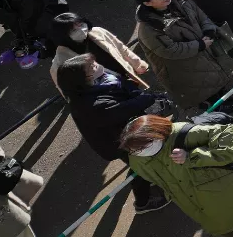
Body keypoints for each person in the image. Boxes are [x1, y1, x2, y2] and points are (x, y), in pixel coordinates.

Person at [119, 115, 233, 236]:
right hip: (205, 212)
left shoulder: (183, 134)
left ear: (155, 136)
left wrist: (192, 156)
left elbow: (230, 135)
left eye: (140, 148)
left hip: (231, 198)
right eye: (133, 150)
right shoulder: (137, 159)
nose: (137, 152)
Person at [55, 54, 171, 214]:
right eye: (92, 67)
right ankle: (143, 202)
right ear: (81, 80)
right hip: (118, 142)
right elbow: (124, 109)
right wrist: (147, 98)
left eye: (94, 62)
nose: (97, 66)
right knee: (140, 167)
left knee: (141, 163)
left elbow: (122, 91)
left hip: (124, 134)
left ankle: (148, 180)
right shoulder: (91, 105)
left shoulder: (97, 85)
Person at [133, 0, 233, 110]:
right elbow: (170, 50)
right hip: (181, 65)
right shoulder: (148, 28)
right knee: (200, 86)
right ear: (147, 3)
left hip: (201, 50)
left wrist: (209, 30)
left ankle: (222, 95)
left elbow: (202, 17)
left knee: (211, 75)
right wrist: (199, 45)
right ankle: (215, 106)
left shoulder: (181, 0)